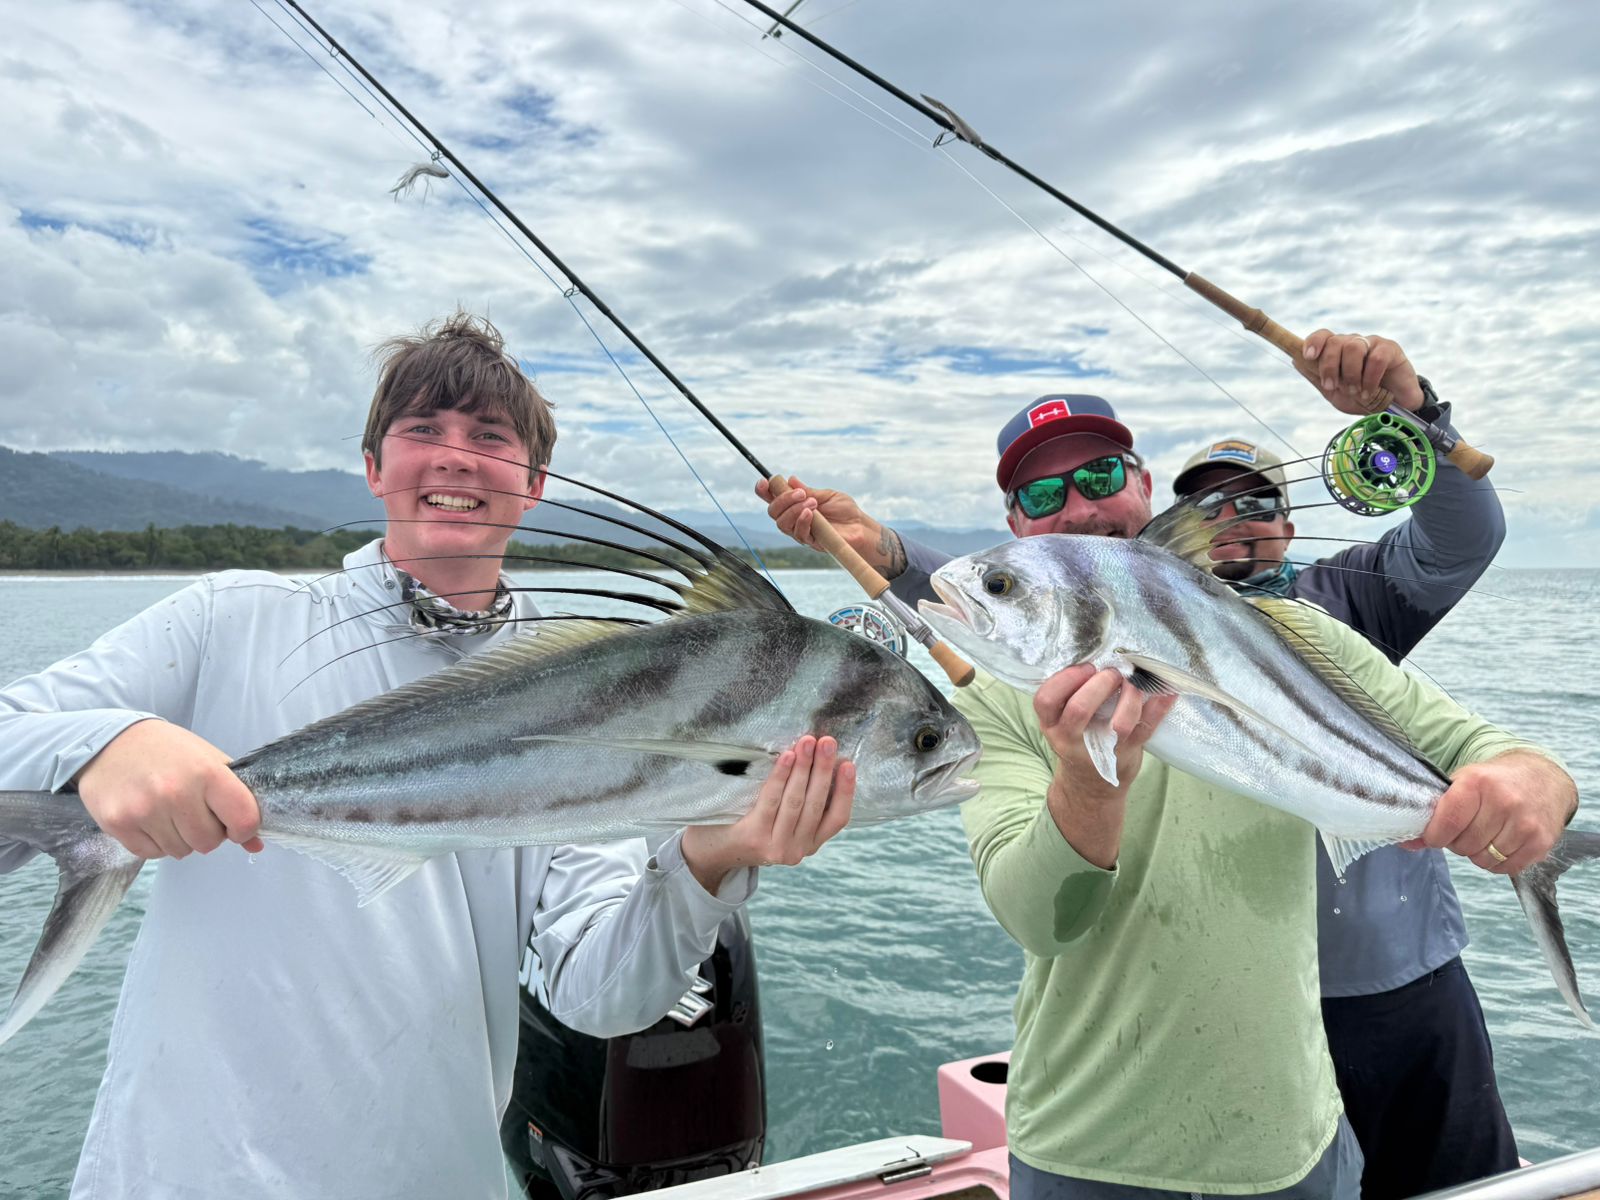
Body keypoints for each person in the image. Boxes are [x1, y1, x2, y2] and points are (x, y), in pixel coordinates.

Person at [0, 312, 854, 1199]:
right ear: (375, 468)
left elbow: (600, 995)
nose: (455, 456)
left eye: (490, 438)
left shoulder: (598, 687)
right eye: (422, 431)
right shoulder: (228, 621)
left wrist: (711, 858)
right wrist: (107, 744)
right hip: (181, 1175)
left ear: (533, 484)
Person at [757, 334, 1577, 1198]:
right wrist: (889, 554)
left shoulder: (1320, 618)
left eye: (1103, 479)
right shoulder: (1007, 693)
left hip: (1369, 1011)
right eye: (1042, 493)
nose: (1077, 505)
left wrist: (1538, 786)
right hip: (1096, 1128)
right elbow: (1045, 604)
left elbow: (1461, 593)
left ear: (1144, 490)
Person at [1169, 331, 1523, 1199]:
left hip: (1403, 977)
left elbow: (1464, 538)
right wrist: (897, 562)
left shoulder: (1347, 597)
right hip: (1247, 992)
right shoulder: (1151, 635)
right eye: (1205, 509)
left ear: (1289, 529)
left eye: (1252, 506)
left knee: (1461, 1184)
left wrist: (1413, 416)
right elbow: (1023, 613)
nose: (1229, 525)